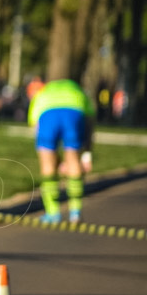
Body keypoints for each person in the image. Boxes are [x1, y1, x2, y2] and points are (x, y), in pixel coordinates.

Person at [28, 78, 95, 224]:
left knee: (47, 165)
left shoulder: (42, 94)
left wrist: (54, 161)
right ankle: (75, 213)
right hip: (74, 109)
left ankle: (53, 213)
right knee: (73, 159)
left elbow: (35, 127)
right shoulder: (79, 92)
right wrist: (86, 154)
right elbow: (89, 124)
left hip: (47, 113)